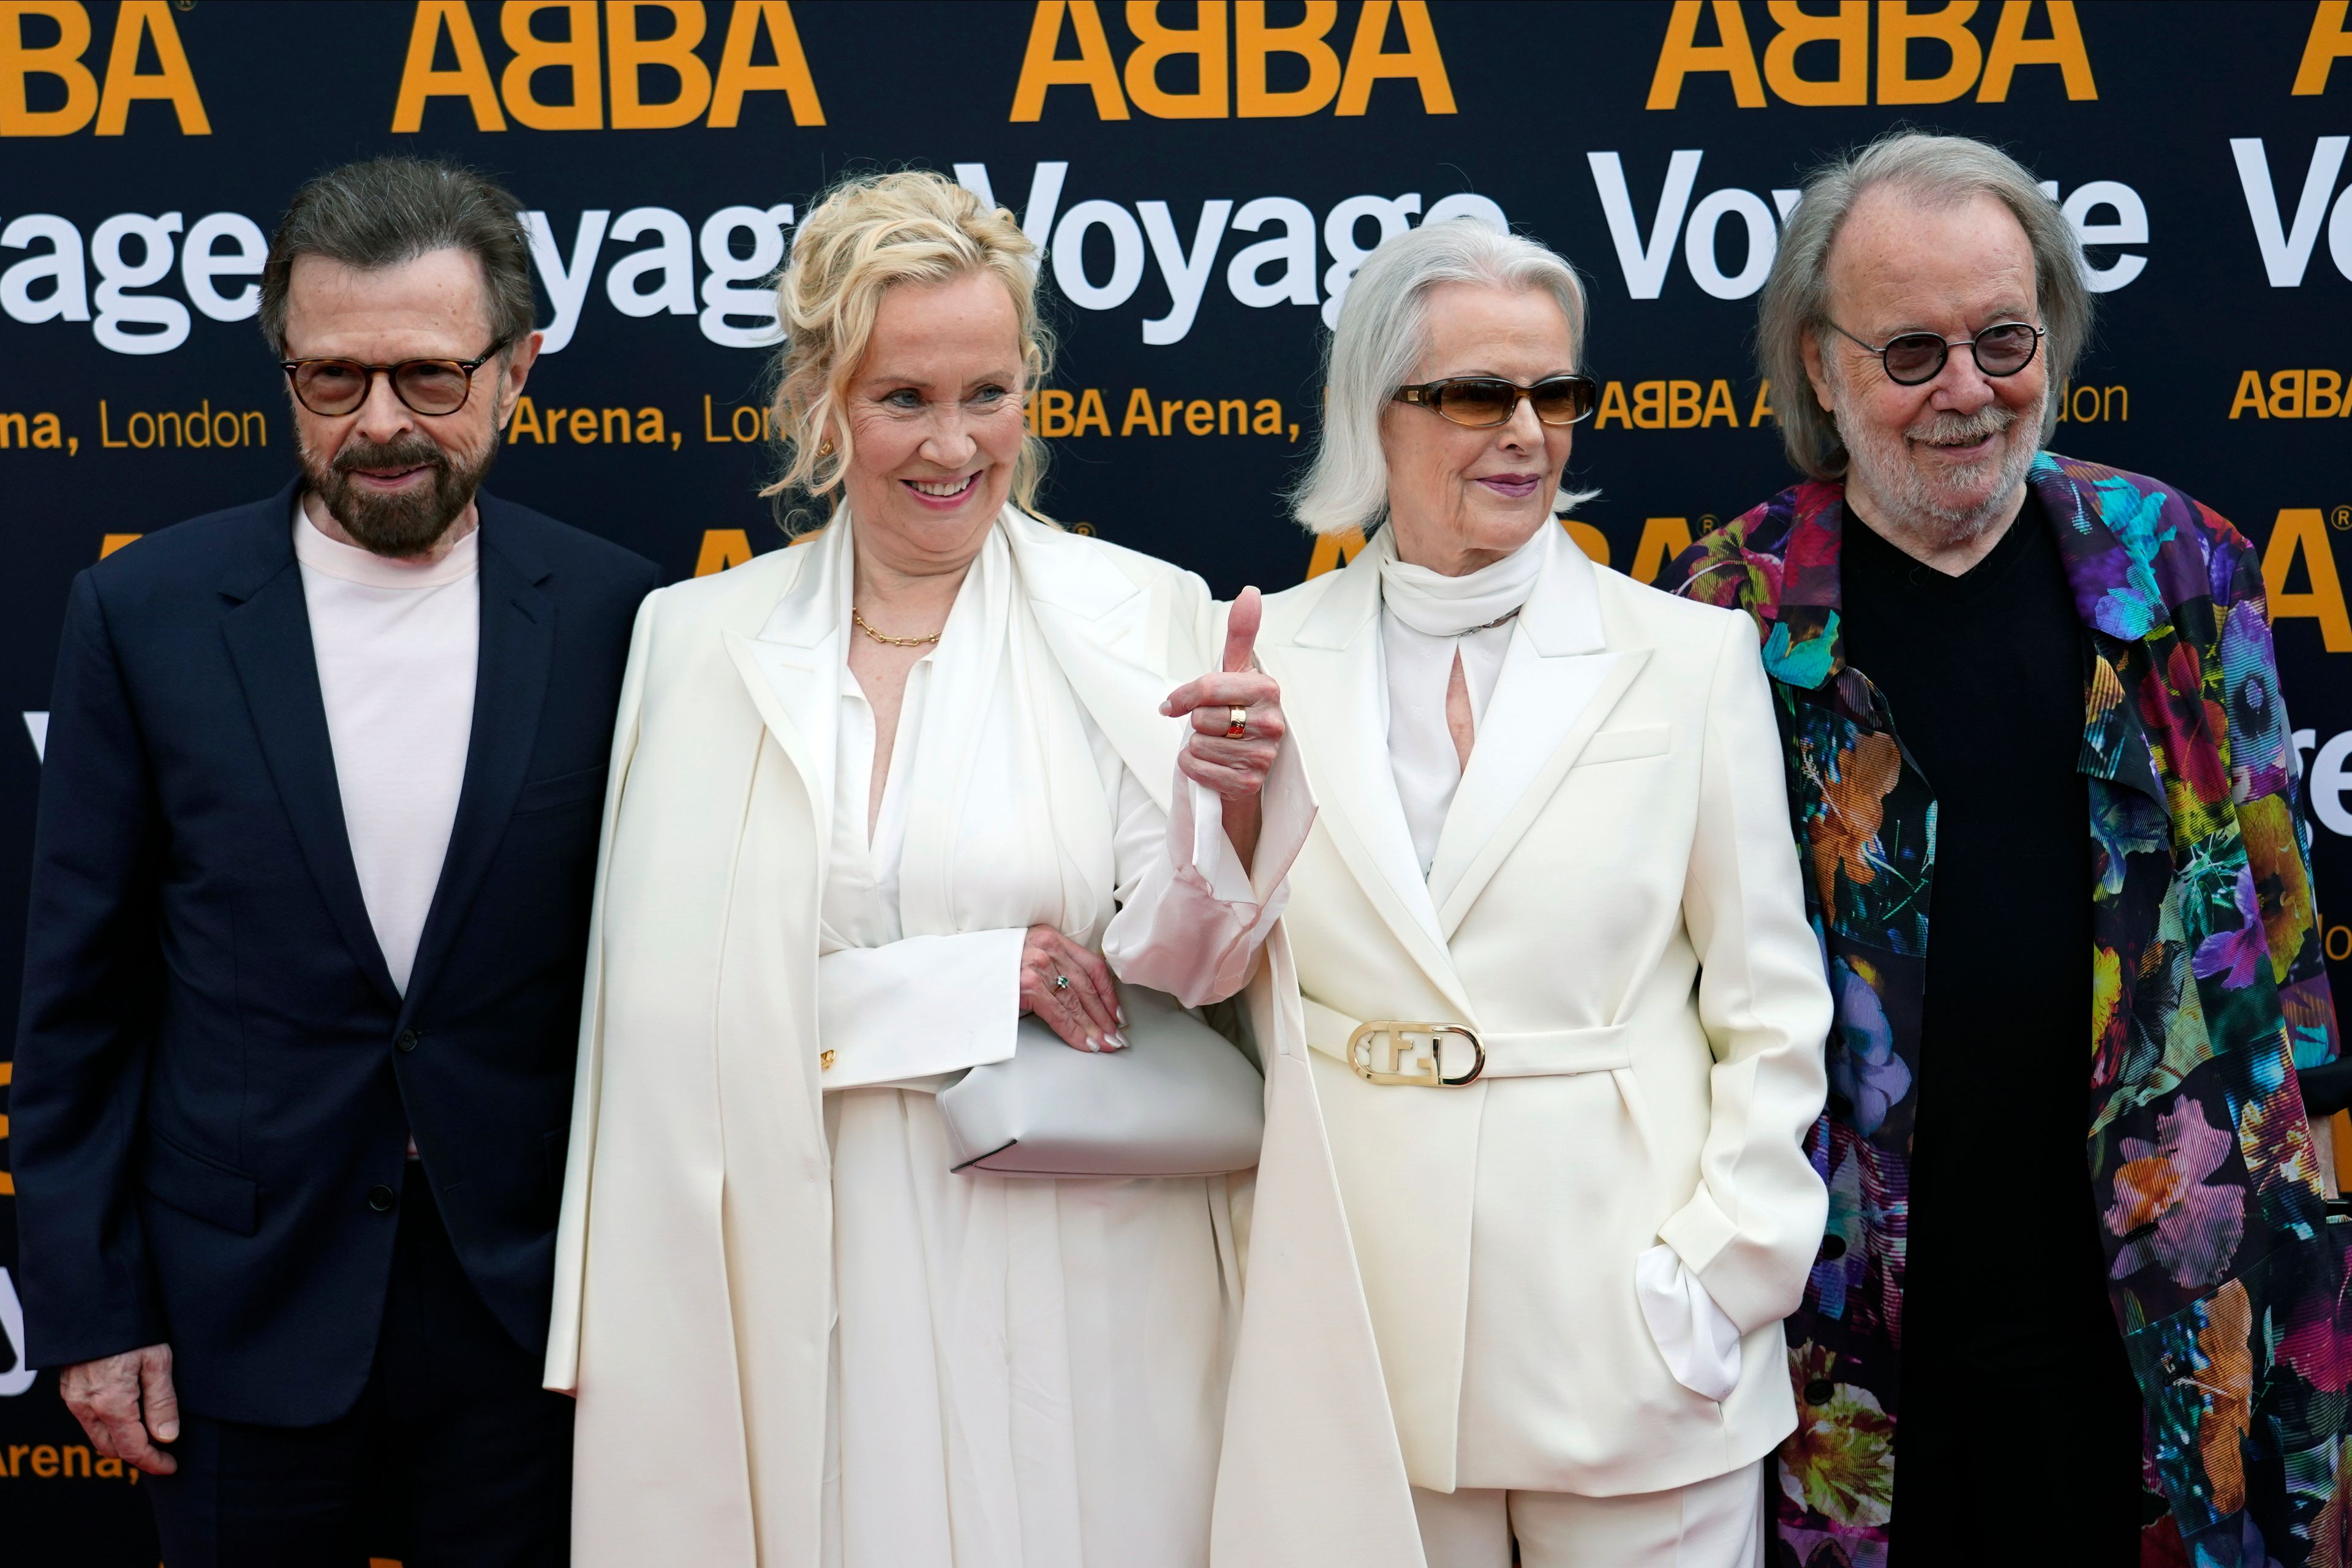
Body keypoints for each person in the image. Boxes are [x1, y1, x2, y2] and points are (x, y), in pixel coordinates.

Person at [546, 169, 1308, 1568]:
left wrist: (1233, 811)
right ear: (822, 401)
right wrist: (973, 980)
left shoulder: (1144, 609)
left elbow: (1187, 976)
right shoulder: (696, 640)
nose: (954, 445)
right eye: (904, 398)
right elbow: (667, 1024)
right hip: (823, 1265)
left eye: (991, 392)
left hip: (1100, 1266)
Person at [1660, 130, 2351, 1567]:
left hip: (2173, 1322)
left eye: (2003, 337)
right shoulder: (1722, 614)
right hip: (1847, 1345)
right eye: (1912, 351)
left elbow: (2280, 945)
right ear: (1818, 362)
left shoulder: (2182, 564)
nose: (1969, 390)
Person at [11, 157, 660, 1566]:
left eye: (429, 377)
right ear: (284, 368)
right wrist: (91, 1306)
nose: (380, 423)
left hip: (536, 1318)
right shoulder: (144, 612)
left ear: (519, 368)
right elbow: (81, 998)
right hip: (241, 1306)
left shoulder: (627, 615)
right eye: (331, 378)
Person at [1212, 219, 1830, 1568]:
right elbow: (1201, 975)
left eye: (1554, 393)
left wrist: (1718, 1282)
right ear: (1377, 411)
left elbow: (1771, 1005)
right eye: (1478, 393)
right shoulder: (1263, 660)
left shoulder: (1688, 656)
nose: (1527, 432)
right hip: (1353, 1344)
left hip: (1631, 1354)